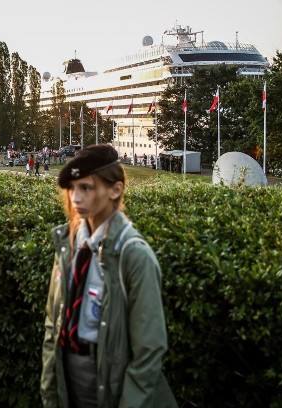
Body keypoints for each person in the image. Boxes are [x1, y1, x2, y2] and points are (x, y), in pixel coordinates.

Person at [41, 144, 176, 407]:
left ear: (116, 189)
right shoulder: (67, 245)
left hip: (111, 384)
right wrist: (50, 390)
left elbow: (148, 350)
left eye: (86, 188)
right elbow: (52, 323)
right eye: (72, 189)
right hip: (67, 380)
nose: (76, 198)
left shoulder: (134, 255)